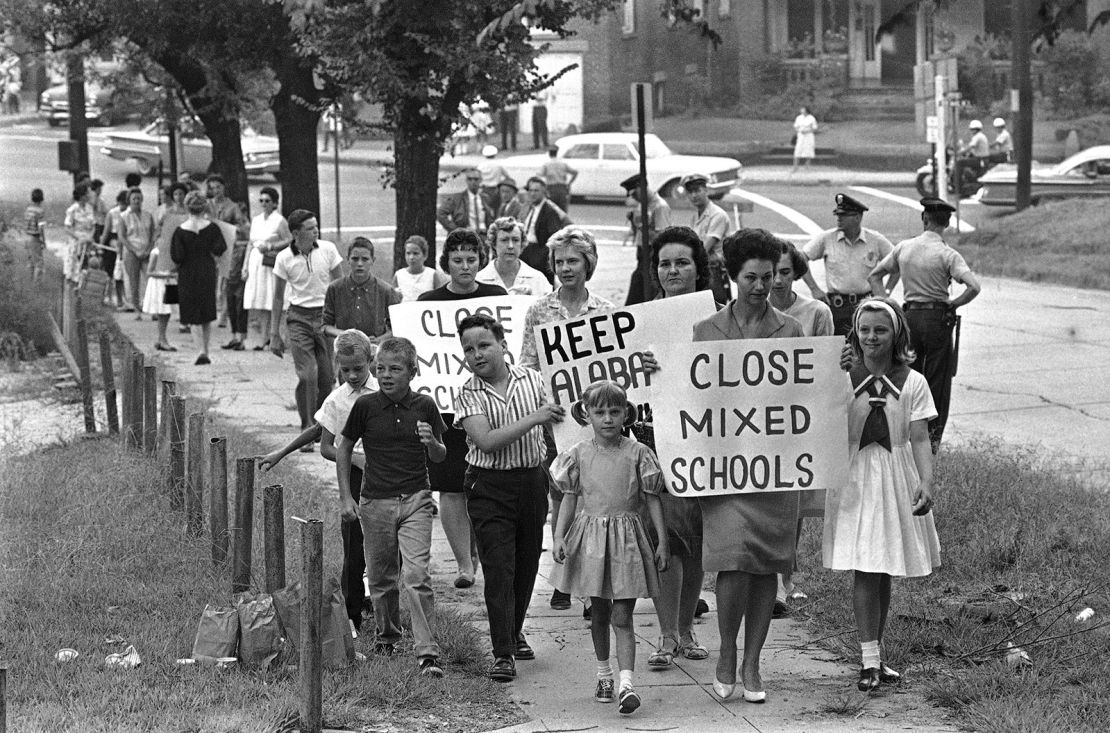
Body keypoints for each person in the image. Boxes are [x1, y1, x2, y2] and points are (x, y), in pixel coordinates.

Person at [692, 228, 805, 703]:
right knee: (733, 561)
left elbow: (807, 396)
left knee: (765, 566)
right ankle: (726, 653)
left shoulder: (792, 330)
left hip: (775, 469)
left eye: (771, 276)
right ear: (732, 277)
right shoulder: (706, 330)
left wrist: (834, 366)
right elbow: (691, 396)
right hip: (726, 469)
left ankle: (754, 661)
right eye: (752, 278)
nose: (763, 286)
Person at [823, 298, 941, 691]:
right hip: (856, 476)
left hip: (894, 477)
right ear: (854, 333)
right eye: (865, 329)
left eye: (881, 330)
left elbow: (921, 437)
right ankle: (868, 659)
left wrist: (926, 481)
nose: (872, 337)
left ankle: (878, 655)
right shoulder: (842, 376)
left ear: (897, 335)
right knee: (866, 565)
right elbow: (819, 419)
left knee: (884, 563)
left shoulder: (914, 382)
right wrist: (830, 373)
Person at [454, 313, 567, 682]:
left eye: (484, 345)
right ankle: (502, 652)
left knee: (526, 564)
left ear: (503, 344)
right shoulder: (468, 393)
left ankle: (514, 631)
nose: (476, 355)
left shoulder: (534, 380)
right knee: (499, 568)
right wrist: (536, 418)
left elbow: (569, 409)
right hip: (487, 487)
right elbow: (486, 440)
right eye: (468, 349)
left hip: (531, 481)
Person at [551, 380, 668, 716]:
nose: (607, 419)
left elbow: (652, 499)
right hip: (591, 543)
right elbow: (569, 499)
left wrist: (661, 540)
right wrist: (559, 537)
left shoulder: (639, 454)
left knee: (622, 614)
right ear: (586, 415)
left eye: (614, 412)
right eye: (599, 412)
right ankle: (604, 673)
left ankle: (627, 684)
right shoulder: (577, 455)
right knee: (599, 612)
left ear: (625, 414)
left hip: (628, 540)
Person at [337, 336, 447, 677]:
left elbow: (442, 454)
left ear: (412, 372)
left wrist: (432, 444)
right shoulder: (366, 407)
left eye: (395, 369)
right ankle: (387, 636)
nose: (385, 375)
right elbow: (343, 447)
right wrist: (346, 496)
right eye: (380, 368)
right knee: (382, 577)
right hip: (375, 502)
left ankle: (427, 652)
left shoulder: (425, 406)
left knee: (417, 575)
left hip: (416, 499)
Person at [519, 226, 614, 612]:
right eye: (559, 262)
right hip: (555, 421)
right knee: (562, 497)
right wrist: (543, 405)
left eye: (573, 260)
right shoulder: (539, 309)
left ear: (588, 264)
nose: (566, 268)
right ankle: (562, 576)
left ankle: (593, 587)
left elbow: (615, 368)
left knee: (595, 499)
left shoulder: (606, 311)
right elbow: (528, 363)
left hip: (596, 420)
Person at [259, 329, 379, 631]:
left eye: (359, 368)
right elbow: (322, 439)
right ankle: (351, 616)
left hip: (389, 474)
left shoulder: (385, 390)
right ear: (336, 364)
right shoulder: (338, 399)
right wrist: (283, 452)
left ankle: (378, 603)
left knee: (390, 545)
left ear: (371, 361)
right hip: (354, 476)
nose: (352, 375)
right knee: (354, 545)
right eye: (345, 369)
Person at [637, 226, 713, 671]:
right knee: (663, 540)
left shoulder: (717, 319)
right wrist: (638, 366)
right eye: (665, 263)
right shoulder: (639, 321)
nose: (672, 270)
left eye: (682, 262)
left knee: (695, 542)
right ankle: (666, 634)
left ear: (698, 269)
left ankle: (686, 629)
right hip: (654, 440)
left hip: (705, 439)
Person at [419, 229, 508, 589]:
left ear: (480, 260)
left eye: (471, 258)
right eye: (457, 259)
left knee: (486, 485)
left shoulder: (497, 298)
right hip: (446, 409)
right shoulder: (428, 301)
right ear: (447, 262)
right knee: (452, 486)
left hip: (492, 408)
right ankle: (463, 564)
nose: (465, 266)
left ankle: (482, 554)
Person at [867, 197, 981, 453]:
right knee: (937, 381)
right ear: (947, 223)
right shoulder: (947, 254)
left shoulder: (904, 248)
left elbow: (874, 275)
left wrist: (888, 305)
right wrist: (954, 304)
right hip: (938, 319)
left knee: (907, 377)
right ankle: (931, 442)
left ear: (924, 219)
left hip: (909, 319)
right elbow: (974, 286)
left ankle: (902, 435)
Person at [769, 240, 835, 614]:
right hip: (757, 418)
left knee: (793, 499)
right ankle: (770, 575)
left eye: (785, 273)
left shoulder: (816, 312)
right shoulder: (749, 311)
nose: (778, 281)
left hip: (799, 417)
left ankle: (786, 575)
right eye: (771, 273)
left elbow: (825, 364)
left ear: (796, 274)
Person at [270, 209, 345, 430]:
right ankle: (307, 424)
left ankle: (321, 424)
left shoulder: (328, 250)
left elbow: (340, 286)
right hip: (298, 317)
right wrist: (275, 334)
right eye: (310, 228)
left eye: (316, 226)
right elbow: (276, 297)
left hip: (325, 318)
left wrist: (342, 321)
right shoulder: (284, 258)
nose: (316, 231)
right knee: (307, 374)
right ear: (296, 233)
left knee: (326, 377)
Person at [801, 193, 896, 336]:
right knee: (838, 351)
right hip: (838, 306)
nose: (839, 219)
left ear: (857, 217)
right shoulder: (827, 239)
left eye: (844, 215)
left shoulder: (875, 240)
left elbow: (897, 262)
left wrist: (886, 292)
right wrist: (814, 289)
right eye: (838, 215)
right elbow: (801, 258)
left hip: (867, 305)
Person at [171, 191, 226, 365]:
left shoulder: (180, 231)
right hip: (206, 268)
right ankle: (206, 350)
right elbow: (220, 248)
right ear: (204, 207)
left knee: (191, 310)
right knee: (206, 310)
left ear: (187, 207)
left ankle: (200, 350)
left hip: (187, 271)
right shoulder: (212, 228)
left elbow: (177, 256)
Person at [323, 236, 401, 344]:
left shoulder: (386, 291)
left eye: (365, 259)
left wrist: (379, 339)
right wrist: (343, 334)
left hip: (374, 352)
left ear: (373, 260)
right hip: (345, 351)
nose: (360, 264)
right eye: (355, 259)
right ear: (348, 260)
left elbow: (397, 328)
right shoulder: (335, 288)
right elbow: (326, 326)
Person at [243, 187, 291, 350]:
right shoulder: (256, 220)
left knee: (274, 299)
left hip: (271, 262)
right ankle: (263, 337)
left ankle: (277, 337)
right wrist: (245, 266)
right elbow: (251, 243)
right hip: (256, 262)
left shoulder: (279, 220)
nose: (264, 204)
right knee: (262, 299)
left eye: (267, 201)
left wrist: (271, 245)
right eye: (261, 200)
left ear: (275, 203)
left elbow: (289, 240)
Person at [621, 173, 672, 306]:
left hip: (652, 256)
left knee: (646, 297)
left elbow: (662, 238)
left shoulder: (660, 207)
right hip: (641, 255)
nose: (634, 198)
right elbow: (637, 232)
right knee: (636, 298)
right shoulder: (642, 205)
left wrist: (641, 226)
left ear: (642, 188)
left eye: (635, 194)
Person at [683, 173, 732, 305]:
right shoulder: (696, 216)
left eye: (697, 190)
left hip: (713, 270)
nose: (694, 195)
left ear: (706, 190)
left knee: (713, 308)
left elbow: (703, 248)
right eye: (690, 192)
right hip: (700, 268)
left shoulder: (717, 215)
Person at [205, 174, 246, 329]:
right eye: (212, 188)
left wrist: (229, 228)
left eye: (218, 187)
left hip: (226, 247)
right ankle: (211, 312)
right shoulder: (207, 204)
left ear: (224, 187)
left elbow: (242, 227)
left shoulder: (232, 206)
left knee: (224, 282)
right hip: (209, 247)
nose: (215, 191)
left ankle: (223, 315)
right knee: (210, 281)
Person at [476, 217, 553, 297]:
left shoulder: (538, 280)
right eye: (504, 240)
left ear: (522, 244)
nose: (510, 246)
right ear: (494, 244)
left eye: (515, 240)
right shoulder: (479, 280)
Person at [519, 177, 570, 284]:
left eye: (536, 191)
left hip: (539, 255)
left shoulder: (549, 211)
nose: (532, 194)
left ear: (544, 192)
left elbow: (554, 237)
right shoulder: (531, 207)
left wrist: (543, 256)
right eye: (531, 190)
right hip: (526, 252)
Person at [119, 188, 156, 318]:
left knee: (150, 279)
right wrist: (134, 250)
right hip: (131, 251)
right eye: (134, 198)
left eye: (139, 198)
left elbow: (153, 234)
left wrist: (149, 249)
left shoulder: (148, 215)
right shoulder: (124, 216)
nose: (136, 201)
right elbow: (122, 236)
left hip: (146, 250)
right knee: (134, 281)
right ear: (129, 200)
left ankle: (152, 308)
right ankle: (137, 309)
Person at [221, 202, 251, 351]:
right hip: (229, 271)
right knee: (231, 304)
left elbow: (249, 243)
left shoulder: (246, 228)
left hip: (240, 270)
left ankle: (242, 338)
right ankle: (234, 335)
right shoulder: (227, 230)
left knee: (240, 306)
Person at [142, 242, 177, 352]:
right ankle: (162, 339)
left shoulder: (171, 252)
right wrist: (166, 275)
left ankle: (161, 338)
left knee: (167, 311)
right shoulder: (156, 252)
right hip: (159, 283)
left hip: (169, 281)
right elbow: (150, 272)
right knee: (162, 311)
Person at [437, 168, 494, 234]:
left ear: (480, 180)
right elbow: (440, 213)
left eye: (476, 179)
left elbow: (492, 218)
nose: (473, 182)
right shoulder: (457, 198)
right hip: (465, 236)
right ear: (466, 180)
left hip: (483, 235)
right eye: (470, 179)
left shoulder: (485, 198)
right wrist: (455, 230)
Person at [392, 235, 448, 301]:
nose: (411, 257)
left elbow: (440, 299)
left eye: (415, 253)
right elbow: (392, 300)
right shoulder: (399, 275)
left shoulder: (432, 275)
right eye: (408, 253)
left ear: (425, 255)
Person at [100, 189, 131, 308]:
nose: (123, 207)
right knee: (110, 272)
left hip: (124, 241)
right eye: (121, 204)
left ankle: (123, 299)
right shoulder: (112, 213)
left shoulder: (129, 213)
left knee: (121, 274)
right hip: (112, 242)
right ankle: (109, 297)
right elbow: (106, 231)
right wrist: (101, 247)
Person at [63, 183, 96, 283]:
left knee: (86, 269)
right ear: (82, 196)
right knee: (73, 270)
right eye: (87, 193)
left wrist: (90, 237)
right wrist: (79, 238)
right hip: (76, 243)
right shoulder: (72, 210)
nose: (89, 195)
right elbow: (67, 228)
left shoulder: (90, 208)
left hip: (88, 242)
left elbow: (94, 226)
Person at [956, 120, 991, 191]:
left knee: (959, 163)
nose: (971, 131)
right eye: (971, 129)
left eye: (972, 129)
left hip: (980, 160)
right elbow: (973, 149)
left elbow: (970, 147)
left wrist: (959, 153)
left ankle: (958, 187)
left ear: (976, 129)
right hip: (983, 159)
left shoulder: (977, 137)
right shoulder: (981, 136)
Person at [540, 146, 577, 214]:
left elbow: (540, 175)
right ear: (556, 153)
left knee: (551, 210)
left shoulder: (546, 165)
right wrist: (569, 183)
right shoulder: (563, 164)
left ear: (549, 154)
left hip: (551, 189)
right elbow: (575, 172)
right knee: (562, 211)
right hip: (562, 188)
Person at [477, 145, 510, 210]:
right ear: (495, 154)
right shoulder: (499, 165)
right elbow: (507, 176)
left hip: (484, 189)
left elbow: (478, 177)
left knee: (485, 209)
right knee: (497, 208)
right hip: (496, 190)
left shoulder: (481, 166)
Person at [23, 188, 45, 281]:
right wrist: (43, 240)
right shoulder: (40, 211)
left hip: (27, 236)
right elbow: (40, 227)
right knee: (39, 263)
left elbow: (25, 224)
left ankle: (29, 282)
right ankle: (36, 284)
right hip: (35, 238)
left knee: (30, 261)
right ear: (41, 198)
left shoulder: (28, 209)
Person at [792, 106, 818, 171]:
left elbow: (815, 128)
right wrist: (799, 130)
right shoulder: (798, 117)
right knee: (798, 150)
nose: (801, 111)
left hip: (809, 136)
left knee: (808, 150)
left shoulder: (811, 118)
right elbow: (796, 126)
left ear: (806, 110)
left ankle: (807, 166)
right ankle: (795, 167)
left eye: (803, 109)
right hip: (801, 136)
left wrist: (807, 131)